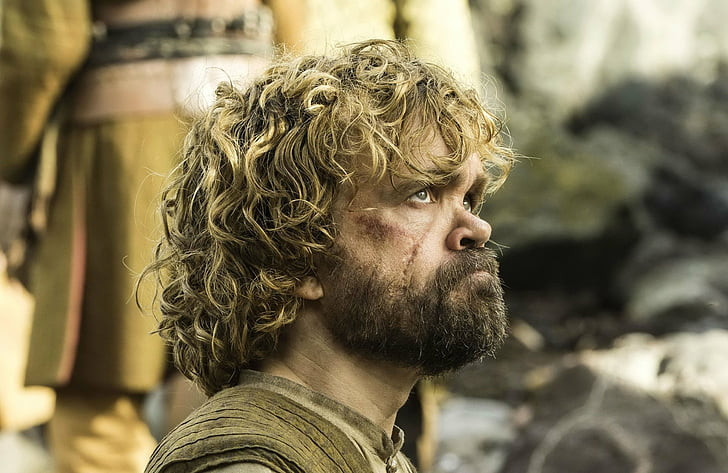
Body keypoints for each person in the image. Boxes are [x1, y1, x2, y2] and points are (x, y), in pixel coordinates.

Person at [142, 39, 515, 473]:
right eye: (421, 194)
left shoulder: (365, 449)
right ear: (296, 256)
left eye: (469, 199)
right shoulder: (249, 466)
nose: (478, 228)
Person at [0, 1, 301, 472]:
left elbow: (44, 44)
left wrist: (10, 159)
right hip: (252, 137)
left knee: (98, 418)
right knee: (231, 378)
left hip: (121, 152)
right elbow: (295, 25)